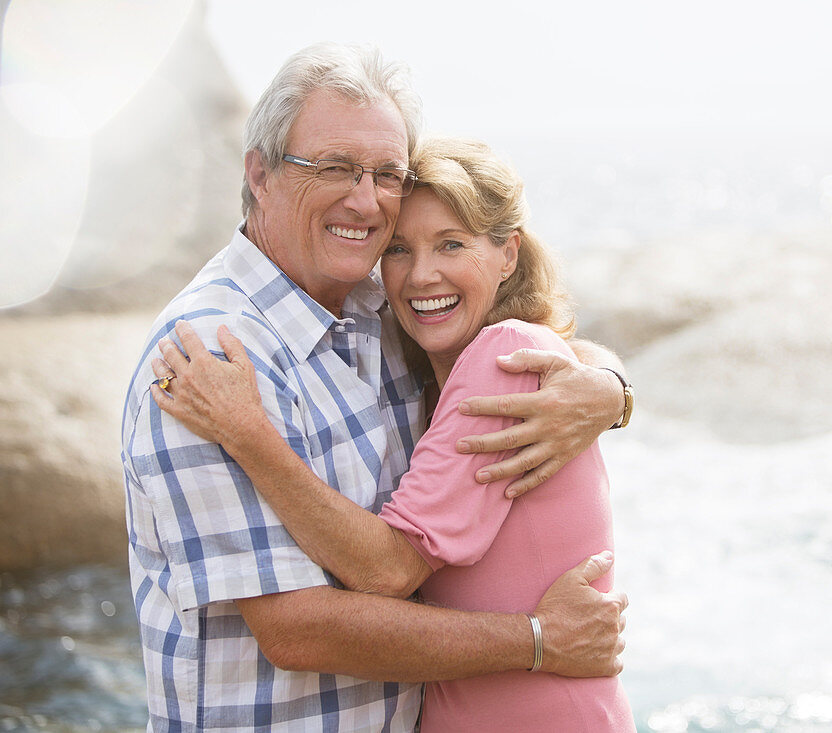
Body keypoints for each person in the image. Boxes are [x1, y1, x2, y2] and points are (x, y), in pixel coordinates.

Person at [120, 43, 631, 732]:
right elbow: (299, 630)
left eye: (385, 173)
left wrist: (608, 389)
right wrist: (538, 637)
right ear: (260, 174)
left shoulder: (379, 311)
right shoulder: (212, 358)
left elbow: (524, 348)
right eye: (334, 167)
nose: (364, 200)